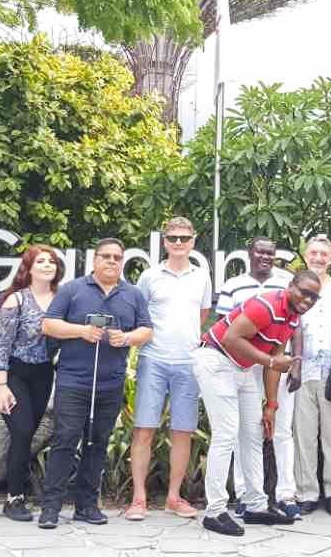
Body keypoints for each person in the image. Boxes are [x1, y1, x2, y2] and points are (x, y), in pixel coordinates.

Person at [194, 270, 322, 536]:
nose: (308, 300)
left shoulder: (292, 317)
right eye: (304, 292)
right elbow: (231, 338)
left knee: (253, 435)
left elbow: (274, 356)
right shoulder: (267, 305)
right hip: (216, 360)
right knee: (226, 435)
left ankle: (256, 506)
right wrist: (272, 362)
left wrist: (272, 405)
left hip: (241, 369)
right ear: (291, 286)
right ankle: (215, 511)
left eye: (314, 297)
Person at [38, 238, 153, 529]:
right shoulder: (72, 289)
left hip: (110, 383)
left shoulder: (133, 294)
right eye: (106, 256)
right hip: (74, 381)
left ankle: (86, 506)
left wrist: (126, 338)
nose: (112, 261)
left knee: (97, 443)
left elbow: (147, 330)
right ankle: (50, 508)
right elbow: (48, 324)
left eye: (117, 257)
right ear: (94, 260)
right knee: (65, 440)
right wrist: (80, 331)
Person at [123, 217, 211, 521]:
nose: (178, 243)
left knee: (183, 432)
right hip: (153, 359)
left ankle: (174, 498)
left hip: (188, 361)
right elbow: (140, 315)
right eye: (172, 238)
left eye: (184, 238)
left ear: (193, 241)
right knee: (144, 430)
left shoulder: (202, 276)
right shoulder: (149, 276)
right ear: (164, 241)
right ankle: (138, 499)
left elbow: (203, 313)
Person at [217, 236, 299, 519]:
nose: (265, 256)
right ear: (249, 253)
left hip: (278, 363)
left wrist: (295, 364)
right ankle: (244, 494)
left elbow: (295, 327)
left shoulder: (287, 282)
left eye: (270, 253)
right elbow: (226, 330)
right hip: (241, 364)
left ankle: (286, 494)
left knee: (282, 429)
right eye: (260, 251)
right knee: (245, 430)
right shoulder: (232, 285)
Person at [0, 245, 63, 522]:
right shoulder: (16, 301)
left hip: (43, 374)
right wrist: (1, 385)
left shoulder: (61, 300)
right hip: (14, 373)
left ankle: (21, 489)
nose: (47, 265)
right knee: (21, 431)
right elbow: (2, 346)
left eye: (52, 261)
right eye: (40, 261)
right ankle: (14, 498)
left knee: (27, 434)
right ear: (28, 268)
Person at [292, 236, 331, 516]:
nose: (318, 258)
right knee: (304, 436)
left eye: (323, 254)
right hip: (301, 371)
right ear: (306, 255)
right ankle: (306, 492)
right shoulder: (294, 286)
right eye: (313, 253)